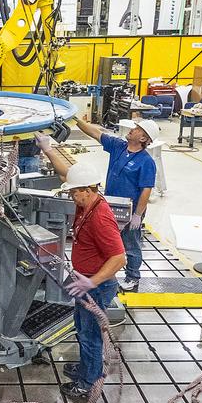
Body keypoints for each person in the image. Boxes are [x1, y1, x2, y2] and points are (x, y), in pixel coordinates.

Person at [32, 145, 127, 401]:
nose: (71, 195)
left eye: (75, 192)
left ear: (88, 189)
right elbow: (67, 174)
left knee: (89, 335)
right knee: (81, 327)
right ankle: (87, 368)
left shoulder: (100, 218)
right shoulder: (88, 202)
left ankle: (87, 383)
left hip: (95, 285)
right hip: (86, 280)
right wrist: (48, 149)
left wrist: (92, 281)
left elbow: (119, 258)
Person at [71, 116, 156, 292]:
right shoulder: (119, 146)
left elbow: (146, 189)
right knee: (109, 241)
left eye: (137, 129)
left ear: (143, 139)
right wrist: (75, 119)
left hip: (131, 209)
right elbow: (96, 133)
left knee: (131, 243)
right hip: (110, 205)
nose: (132, 129)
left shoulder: (146, 161)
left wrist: (138, 215)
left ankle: (132, 277)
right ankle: (107, 273)